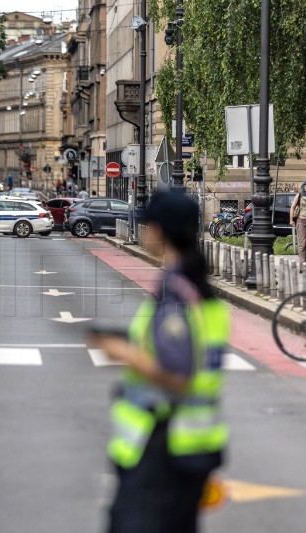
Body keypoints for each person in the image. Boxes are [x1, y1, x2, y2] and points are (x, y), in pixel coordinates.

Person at [90, 192, 229, 533]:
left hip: (163, 445)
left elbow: (177, 374)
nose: (144, 231)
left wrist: (124, 353)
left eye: (148, 224)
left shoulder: (176, 293)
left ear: (160, 231)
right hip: (190, 444)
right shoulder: (199, 293)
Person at [290, 179, 306, 272]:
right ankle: (302, 266)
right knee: (302, 245)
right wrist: (291, 220)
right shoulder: (299, 195)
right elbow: (292, 207)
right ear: (303, 187)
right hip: (301, 222)